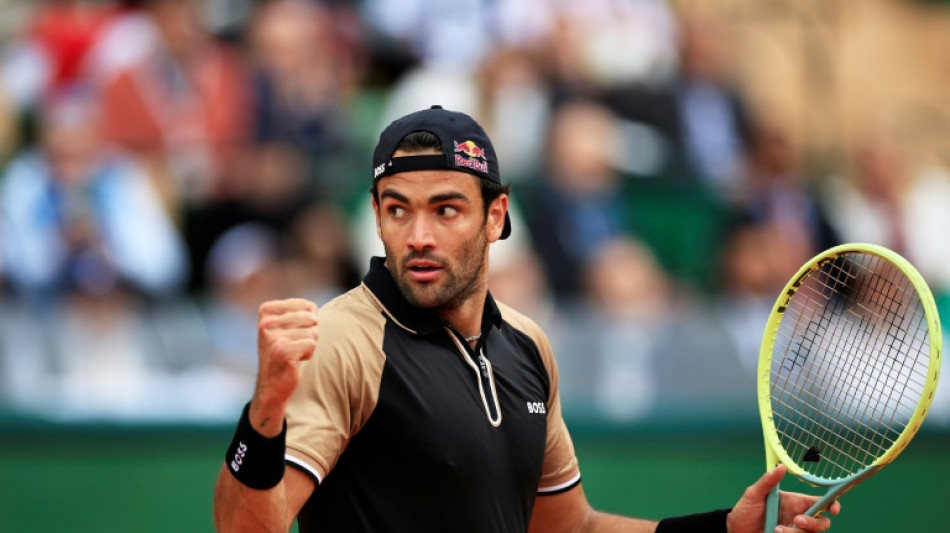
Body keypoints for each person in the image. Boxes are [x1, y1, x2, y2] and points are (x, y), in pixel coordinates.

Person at [213, 105, 840, 533]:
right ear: (377, 218)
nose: (419, 235)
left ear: (495, 217)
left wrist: (719, 530)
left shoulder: (526, 345)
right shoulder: (346, 339)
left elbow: (571, 528)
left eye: (447, 210)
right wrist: (263, 417)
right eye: (398, 210)